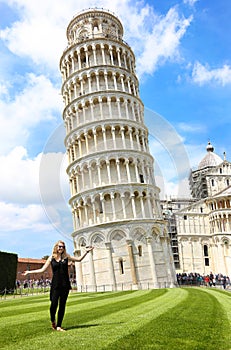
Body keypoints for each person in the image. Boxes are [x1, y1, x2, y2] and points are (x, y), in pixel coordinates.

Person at [23, 240, 93, 332]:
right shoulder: (51, 257)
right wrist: (29, 272)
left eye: (63, 247)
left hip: (65, 284)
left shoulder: (66, 257)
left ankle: (59, 326)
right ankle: (53, 321)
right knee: (53, 305)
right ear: (56, 247)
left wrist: (87, 252)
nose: (61, 248)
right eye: (60, 246)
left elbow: (79, 259)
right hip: (55, 285)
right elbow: (42, 270)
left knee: (62, 305)